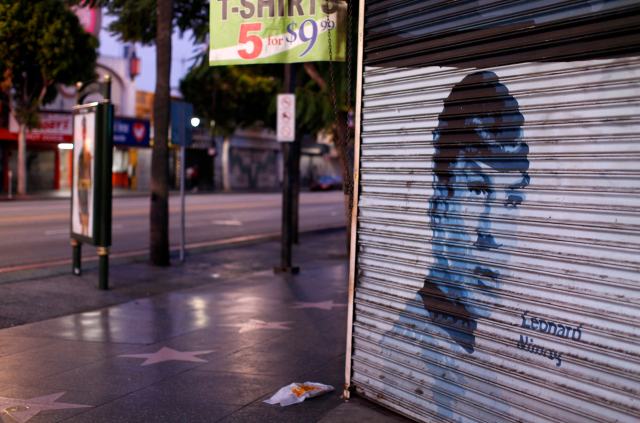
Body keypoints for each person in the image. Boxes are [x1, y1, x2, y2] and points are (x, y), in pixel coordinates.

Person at [419, 71, 530, 353]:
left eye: (512, 200)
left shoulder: (455, 346)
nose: (491, 234)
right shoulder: (416, 352)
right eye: (478, 191)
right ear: (439, 205)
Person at [77, 116, 93, 236]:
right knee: (82, 206)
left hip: (85, 184)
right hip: (82, 183)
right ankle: (83, 229)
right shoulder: (81, 151)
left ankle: (85, 229)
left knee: (85, 207)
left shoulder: (86, 150)